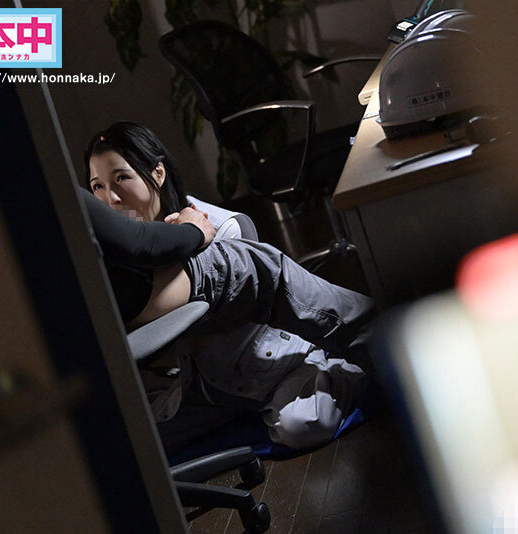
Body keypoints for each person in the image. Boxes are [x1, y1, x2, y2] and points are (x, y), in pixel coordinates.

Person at [83, 122, 374, 451]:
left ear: (158, 174)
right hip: (208, 386)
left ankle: (336, 369)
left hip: (268, 368)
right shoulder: (123, 261)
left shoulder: (219, 231)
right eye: (97, 187)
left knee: (301, 427)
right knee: (135, 445)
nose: (110, 199)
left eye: (121, 178)